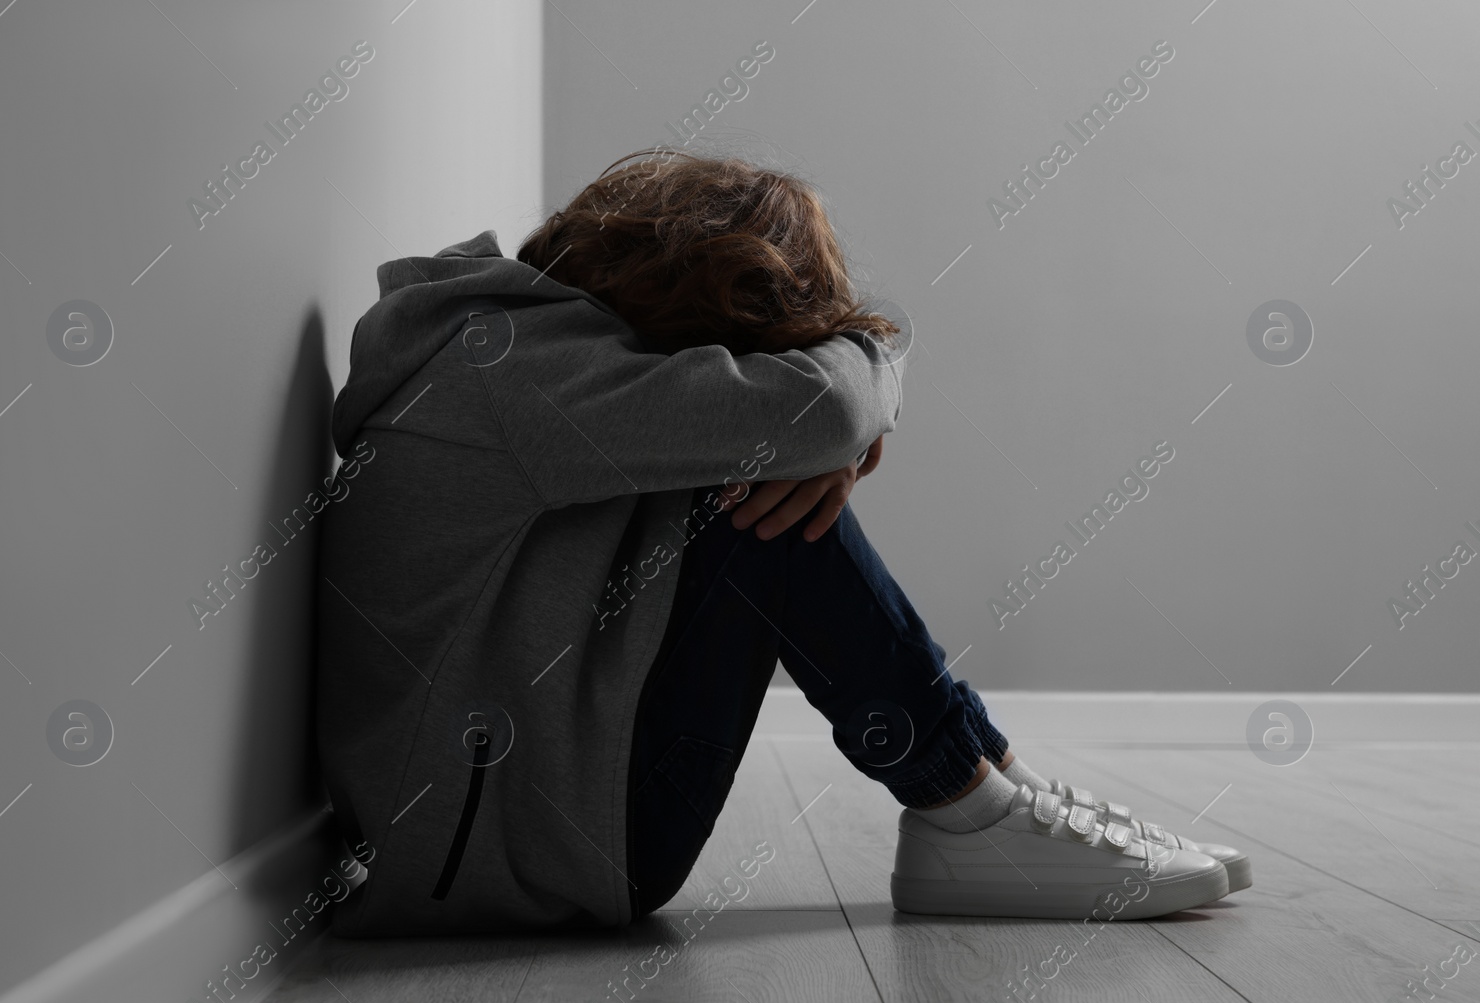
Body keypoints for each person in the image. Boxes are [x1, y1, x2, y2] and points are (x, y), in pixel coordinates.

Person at [313, 151, 1249, 936]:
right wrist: (829, 422)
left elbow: (814, 414)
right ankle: (970, 812)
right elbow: (828, 403)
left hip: (485, 829)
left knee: (758, 476)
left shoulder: (506, 339)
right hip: (493, 860)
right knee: (759, 504)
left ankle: (989, 787)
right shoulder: (516, 372)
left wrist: (816, 437)